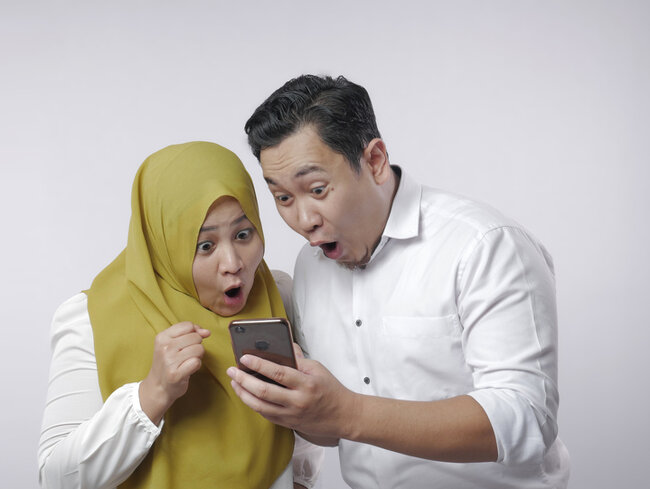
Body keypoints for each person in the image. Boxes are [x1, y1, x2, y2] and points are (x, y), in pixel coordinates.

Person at [227, 75, 571, 488]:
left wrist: (348, 412)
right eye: (283, 198)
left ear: (375, 160)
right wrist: (297, 406)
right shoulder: (311, 266)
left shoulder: (485, 245)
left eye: (317, 189)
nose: (303, 220)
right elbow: (332, 433)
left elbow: (528, 419)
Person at [38, 142, 322, 489]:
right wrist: (152, 394)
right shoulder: (89, 320)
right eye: (205, 246)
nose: (233, 263)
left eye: (242, 234)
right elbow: (55, 478)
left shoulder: (277, 294)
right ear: (163, 243)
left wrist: (301, 481)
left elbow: (300, 427)